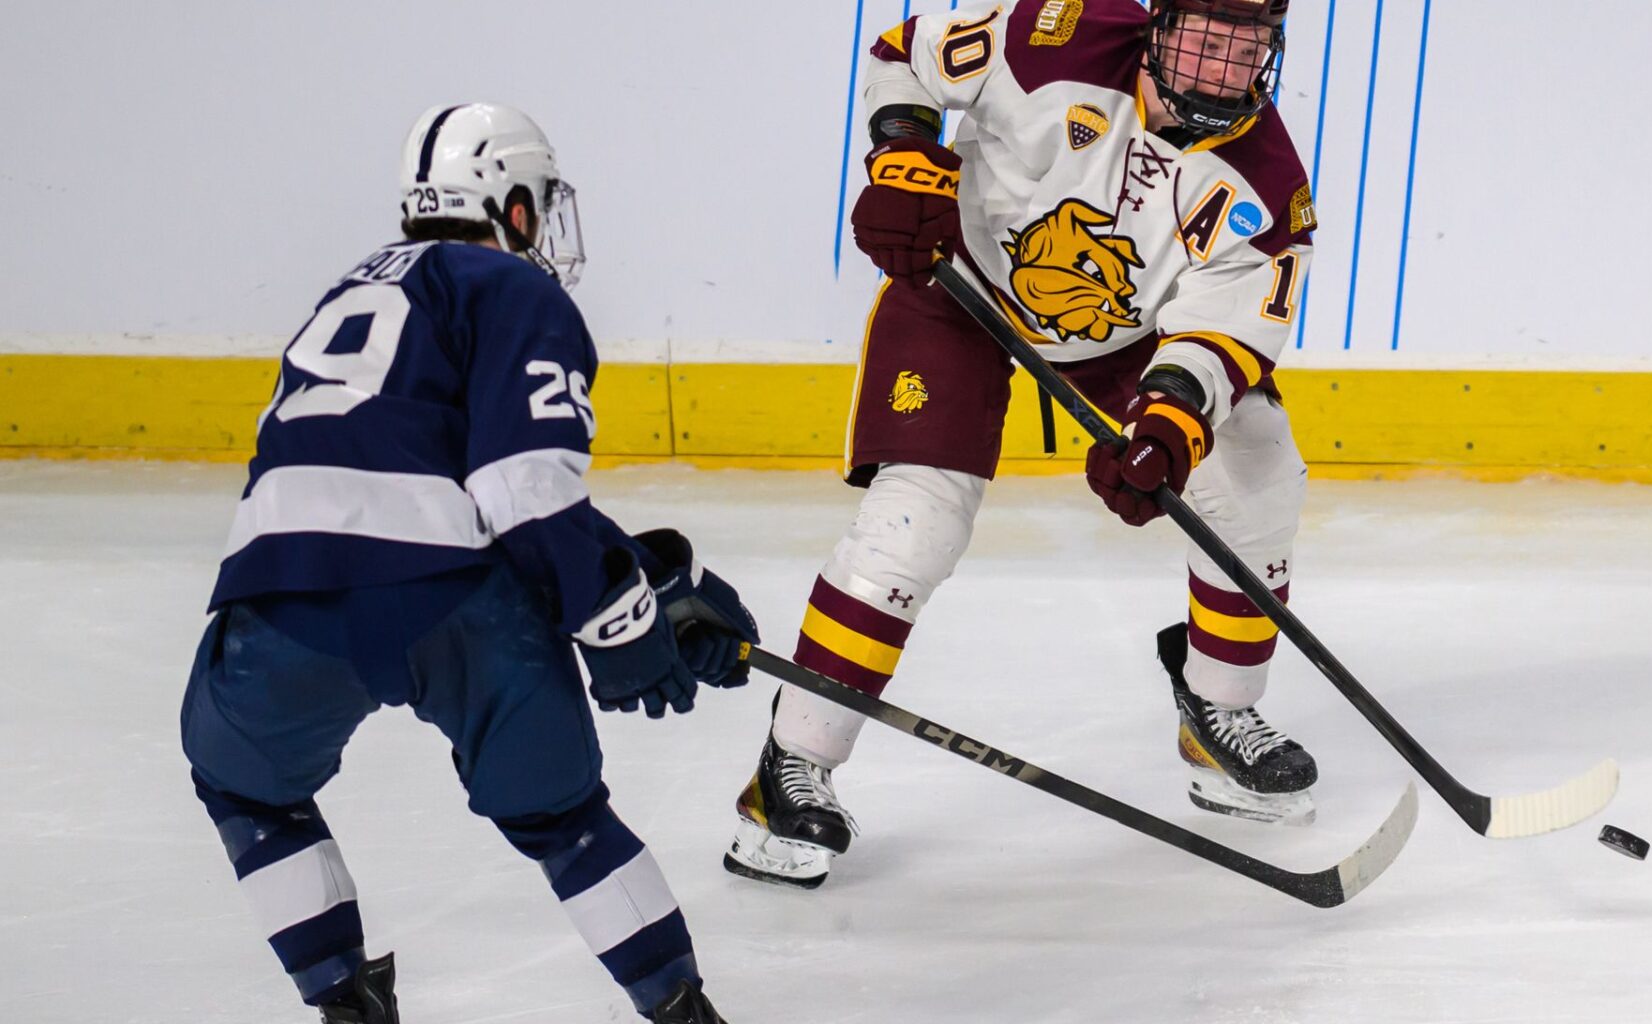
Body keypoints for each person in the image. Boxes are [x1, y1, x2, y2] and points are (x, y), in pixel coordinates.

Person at [722, 0, 1321, 890]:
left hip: (1125, 341)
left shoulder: (1268, 184)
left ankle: (1219, 713)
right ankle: (793, 764)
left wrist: (1167, 422)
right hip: (957, 292)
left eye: (1246, 45)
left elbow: (1223, 331)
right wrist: (901, 157)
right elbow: (903, 54)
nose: (1220, 63)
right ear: (1160, 23)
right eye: (1203, 33)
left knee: (1259, 465)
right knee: (914, 527)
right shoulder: (1058, 33)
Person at [180, 103, 754, 1023]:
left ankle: (343, 1004)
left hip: (280, 592)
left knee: (246, 785)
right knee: (563, 819)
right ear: (512, 204)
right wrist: (617, 614)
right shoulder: (513, 289)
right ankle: (683, 1013)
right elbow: (520, 490)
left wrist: (640, 569)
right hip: (450, 602)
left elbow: (407, 467)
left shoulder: (348, 289)